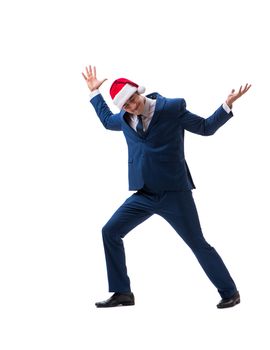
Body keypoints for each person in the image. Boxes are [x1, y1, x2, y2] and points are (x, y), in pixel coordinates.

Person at [81, 65, 251, 309]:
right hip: (144, 193)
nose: (132, 105)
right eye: (126, 105)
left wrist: (226, 105)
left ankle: (230, 291)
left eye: (133, 98)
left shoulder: (171, 108)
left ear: (139, 91)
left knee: (197, 243)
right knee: (110, 231)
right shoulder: (125, 118)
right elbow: (108, 121)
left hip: (174, 193)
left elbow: (205, 128)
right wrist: (94, 94)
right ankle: (122, 293)